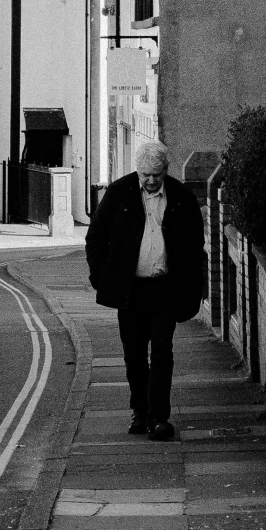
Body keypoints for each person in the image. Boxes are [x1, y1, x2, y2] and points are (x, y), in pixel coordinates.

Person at [85, 138, 206, 440]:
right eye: (145, 175)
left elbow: (195, 248)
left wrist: (193, 288)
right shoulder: (119, 193)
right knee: (134, 354)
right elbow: (95, 239)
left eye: (157, 175)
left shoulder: (181, 197)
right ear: (137, 171)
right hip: (131, 290)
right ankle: (140, 411)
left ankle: (159, 417)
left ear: (166, 170)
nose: (151, 181)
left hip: (165, 288)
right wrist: (102, 278)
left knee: (162, 352)